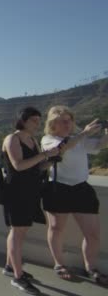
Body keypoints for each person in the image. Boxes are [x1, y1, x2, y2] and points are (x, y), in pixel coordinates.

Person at [41, 106, 108, 285]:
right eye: (63, 121)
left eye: (69, 120)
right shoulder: (48, 139)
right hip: (58, 188)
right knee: (56, 229)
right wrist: (84, 133)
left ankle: (91, 267)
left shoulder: (80, 139)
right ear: (52, 124)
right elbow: (61, 149)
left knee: (92, 234)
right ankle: (59, 264)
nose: (68, 124)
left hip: (81, 189)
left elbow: (101, 145)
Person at [1, 107, 59, 295]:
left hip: (30, 191)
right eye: (34, 120)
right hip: (16, 192)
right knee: (17, 233)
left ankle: (10, 267)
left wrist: (52, 160)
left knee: (20, 231)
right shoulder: (12, 139)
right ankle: (18, 277)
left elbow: (36, 166)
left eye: (38, 120)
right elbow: (18, 165)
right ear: (23, 120)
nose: (38, 123)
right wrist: (44, 155)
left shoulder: (32, 140)